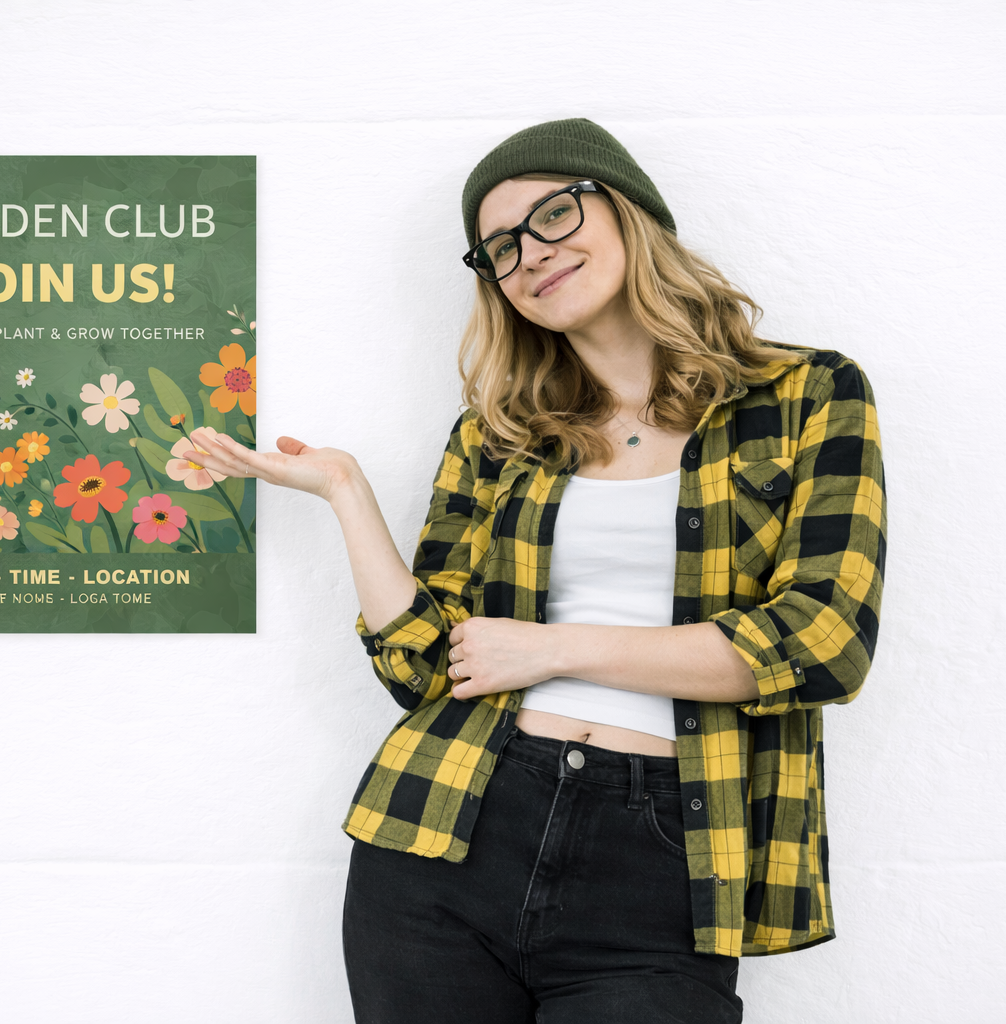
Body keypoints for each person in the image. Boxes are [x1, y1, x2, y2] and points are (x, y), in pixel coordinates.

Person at [191, 118, 886, 1023]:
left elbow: (825, 644)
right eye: (501, 248)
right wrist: (344, 490)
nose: (530, 255)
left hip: (672, 847)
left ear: (629, 212)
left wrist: (550, 649)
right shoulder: (499, 433)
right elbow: (425, 667)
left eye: (554, 214)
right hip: (448, 827)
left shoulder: (808, 394)